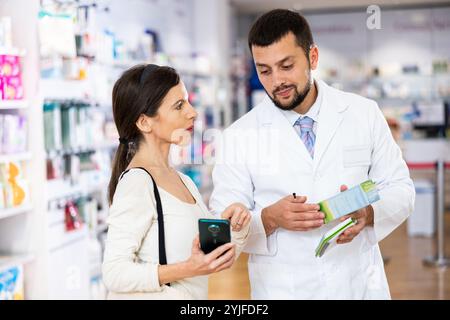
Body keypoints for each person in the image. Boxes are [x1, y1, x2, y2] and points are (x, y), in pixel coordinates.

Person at [210, 9, 415, 299]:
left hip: (358, 283)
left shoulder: (363, 113)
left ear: (313, 58)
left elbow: (401, 190)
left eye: (286, 65)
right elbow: (223, 225)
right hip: (284, 288)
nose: (276, 81)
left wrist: (367, 214)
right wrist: (269, 218)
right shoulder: (239, 135)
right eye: (264, 70)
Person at [102, 64, 251, 299]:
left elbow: (210, 260)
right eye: (179, 105)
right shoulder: (137, 183)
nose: (192, 112)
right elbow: (114, 272)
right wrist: (188, 268)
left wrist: (237, 228)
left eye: (188, 102)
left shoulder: (182, 180)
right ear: (144, 122)